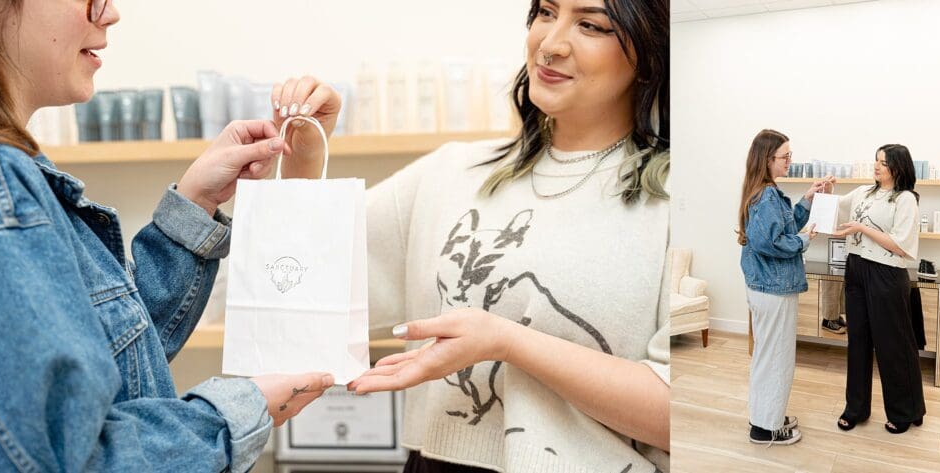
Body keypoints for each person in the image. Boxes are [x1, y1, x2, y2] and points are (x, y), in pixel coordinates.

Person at [276, 0, 671, 470]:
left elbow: (680, 413)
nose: (550, 44)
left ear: (648, 52)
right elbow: (297, 283)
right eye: (546, 12)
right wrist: (302, 156)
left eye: (590, 25)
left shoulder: (675, 202)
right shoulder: (451, 173)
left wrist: (507, 342)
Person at [0, 1, 334, 470]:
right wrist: (237, 413)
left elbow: (104, 361)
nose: (109, 13)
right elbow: (72, 460)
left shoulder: (8, 176)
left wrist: (196, 206)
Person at [737, 129, 829, 446]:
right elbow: (771, 241)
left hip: (767, 287)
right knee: (776, 358)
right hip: (773, 289)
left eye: (790, 155)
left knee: (768, 355)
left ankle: (767, 417)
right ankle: (767, 428)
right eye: (785, 156)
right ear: (768, 159)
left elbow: (784, 224)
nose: (790, 161)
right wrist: (804, 241)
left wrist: (806, 199)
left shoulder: (765, 193)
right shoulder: (766, 196)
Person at [832, 144, 925, 434]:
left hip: (886, 273)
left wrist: (861, 228)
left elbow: (899, 245)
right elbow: (836, 208)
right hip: (856, 268)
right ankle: (856, 408)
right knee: (857, 341)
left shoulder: (905, 199)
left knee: (892, 346)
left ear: (898, 167)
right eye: (876, 160)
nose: (876, 166)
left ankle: (905, 410)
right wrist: (821, 191)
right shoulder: (863, 192)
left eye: (883, 163)